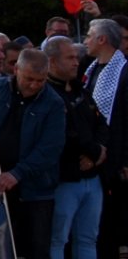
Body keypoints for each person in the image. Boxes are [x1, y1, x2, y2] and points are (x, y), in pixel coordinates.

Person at [0, 48, 64, 259]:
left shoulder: (53, 102)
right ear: (16, 69)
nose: (35, 85)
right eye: (29, 78)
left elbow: (50, 148)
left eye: (41, 80)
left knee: (37, 249)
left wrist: (17, 173)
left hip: (36, 191)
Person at [43, 35, 106, 259]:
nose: (76, 62)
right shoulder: (46, 94)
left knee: (88, 238)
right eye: (69, 57)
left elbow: (100, 123)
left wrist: (98, 150)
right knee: (58, 239)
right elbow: (66, 133)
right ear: (51, 61)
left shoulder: (81, 89)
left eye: (76, 57)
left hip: (92, 178)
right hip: (65, 180)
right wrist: (95, 151)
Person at [82, 18, 127, 259]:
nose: (85, 40)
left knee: (113, 220)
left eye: (89, 35)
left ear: (102, 39)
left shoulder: (124, 70)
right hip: (94, 158)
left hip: (116, 159)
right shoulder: (89, 70)